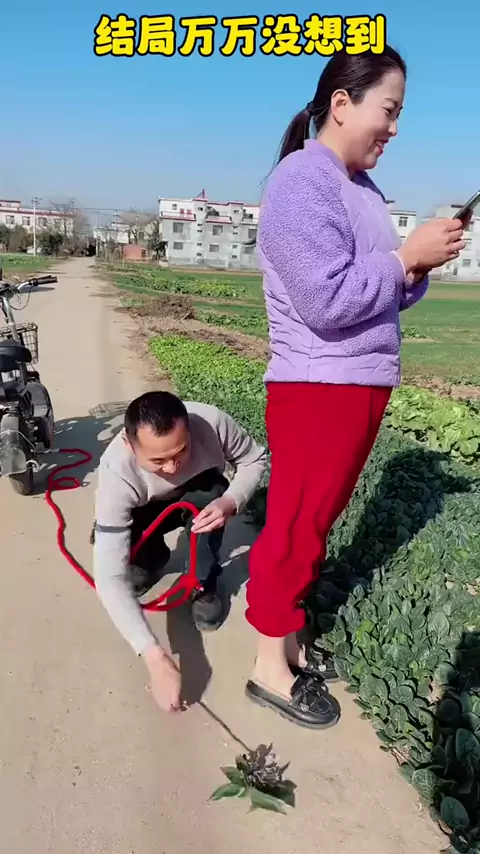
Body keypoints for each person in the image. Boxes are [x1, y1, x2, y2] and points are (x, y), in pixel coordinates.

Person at [244, 46, 467, 730]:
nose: (394, 128)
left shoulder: (362, 191)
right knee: (295, 523)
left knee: (315, 521)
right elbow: (326, 300)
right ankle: (268, 666)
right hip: (318, 383)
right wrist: (405, 257)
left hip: (356, 382)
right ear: (341, 103)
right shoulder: (300, 182)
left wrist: (418, 264)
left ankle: (288, 638)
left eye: (400, 114)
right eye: (388, 110)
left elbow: (383, 290)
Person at [92, 391, 267, 712]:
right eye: (157, 461)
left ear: (189, 429)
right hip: (145, 507)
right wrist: (155, 657)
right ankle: (149, 559)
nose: (172, 468)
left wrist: (231, 501)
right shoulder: (116, 473)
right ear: (130, 445)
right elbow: (108, 577)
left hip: (201, 495)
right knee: (119, 544)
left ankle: (204, 584)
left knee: (212, 496)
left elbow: (254, 459)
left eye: (181, 451)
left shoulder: (212, 423)